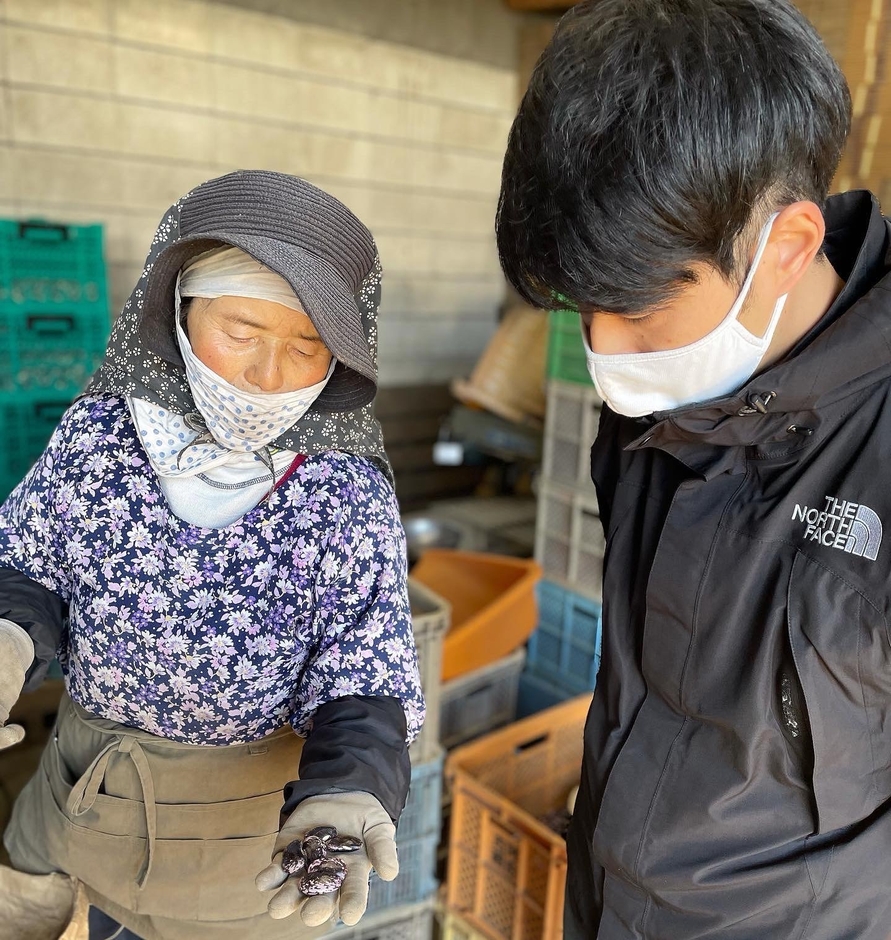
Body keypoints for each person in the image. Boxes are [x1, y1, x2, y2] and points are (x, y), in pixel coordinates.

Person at [496, 1, 891, 937]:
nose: (604, 350)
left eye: (636, 311)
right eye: (580, 307)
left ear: (785, 248)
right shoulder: (658, 400)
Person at [0, 170, 425, 940]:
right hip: (89, 793)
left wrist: (350, 787)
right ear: (177, 312)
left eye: (307, 347)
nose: (270, 378)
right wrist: (7, 640)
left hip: (246, 844)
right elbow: (33, 567)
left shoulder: (343, 491)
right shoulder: (102, 436)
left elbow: (365, 670)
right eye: (242, 334)